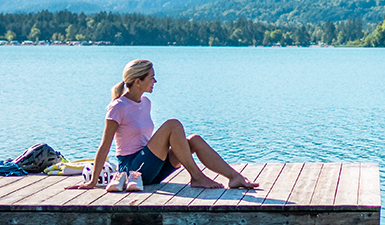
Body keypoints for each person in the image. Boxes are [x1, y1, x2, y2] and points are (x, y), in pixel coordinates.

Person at [67, 59, 259, 192]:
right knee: (172, 125)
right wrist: (92, 182)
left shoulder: (146, 103)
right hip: (132, 169)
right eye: (151, 77)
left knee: (194, 140)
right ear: (137, 81)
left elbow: (150, 142)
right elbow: (105, 146)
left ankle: (235, 177)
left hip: (150, 169)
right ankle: (197, 177)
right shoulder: (118, 107)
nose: (155, 81)